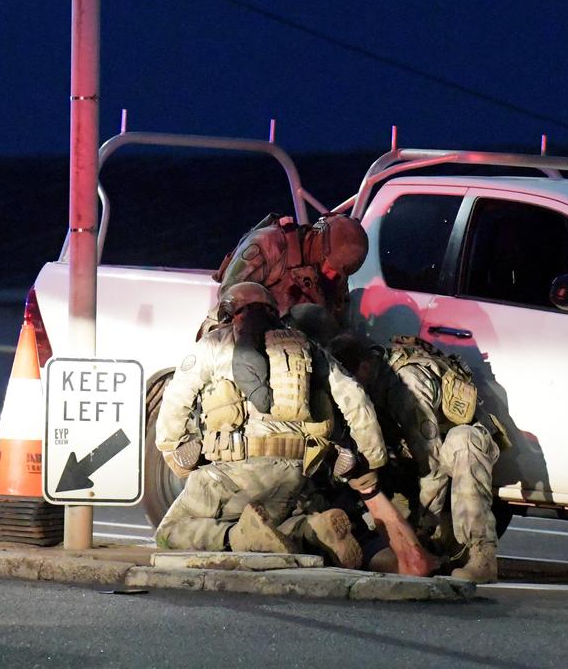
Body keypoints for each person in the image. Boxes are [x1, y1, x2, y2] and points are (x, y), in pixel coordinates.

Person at [153, 282, 386, 569]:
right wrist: (372, 459)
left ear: (227, 311)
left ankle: (239, 537)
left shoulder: (214, 345)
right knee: (276, 520)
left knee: (169, 532)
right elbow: (355, 398)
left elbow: (175, 403)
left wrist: (177, 456)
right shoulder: (305, 347)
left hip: (234, 472)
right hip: (297, 474)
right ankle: (311, 529)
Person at [330, 334, 505, 583]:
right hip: (407, 463)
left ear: (365, 367)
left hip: (446, 456)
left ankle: (481, 556)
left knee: (464, 440)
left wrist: (422, 532)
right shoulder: (369, 380)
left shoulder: (408, 385)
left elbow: (431, 464)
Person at [212, 213, 369, 323]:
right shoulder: (269, 243)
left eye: (339, 273)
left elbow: (337, 325)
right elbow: (229, 297)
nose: (332, 275)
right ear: (318, 247)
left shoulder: (337, 272)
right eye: (330, 267)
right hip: (240, 333)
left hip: (296, 347)